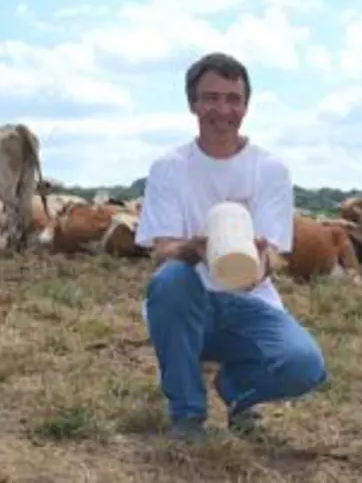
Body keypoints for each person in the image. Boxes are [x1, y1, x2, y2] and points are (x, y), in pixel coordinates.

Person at [134, 52, 327, 443]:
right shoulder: (169, 167)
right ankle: (187, 415)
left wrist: (258, 262)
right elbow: (162, 250)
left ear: (246, 106)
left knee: (305, 366)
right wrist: (194, 248)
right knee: (171, 279)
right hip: (188, 302)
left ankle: (237, 388)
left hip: (251, 302)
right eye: (211, 97)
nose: (223, 109)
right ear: (193, 103)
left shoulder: (270, 169)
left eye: (233, 99)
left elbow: (274, 253)